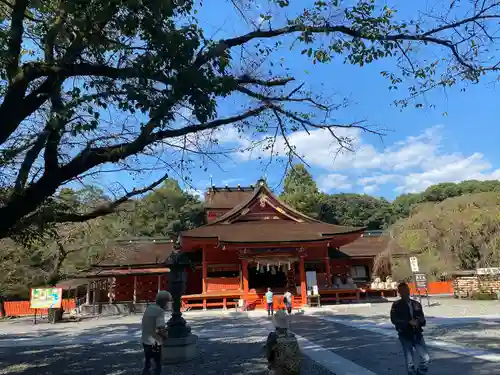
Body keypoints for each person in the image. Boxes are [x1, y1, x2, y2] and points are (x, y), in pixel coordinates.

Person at [390, 282, 430, 375]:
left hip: (417, 334)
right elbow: (394, 319)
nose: (405, 293)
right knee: (409, 361)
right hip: (405, 335)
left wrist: (418, 322)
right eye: (402, 291)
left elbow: (423, 319)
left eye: (406, 290)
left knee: (426, 357)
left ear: (409, 291)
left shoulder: (416, 304)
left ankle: (420, 372)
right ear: (399, 293)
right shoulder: (396, 305)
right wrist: (407, 322)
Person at [141, 290, 172, 375]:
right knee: (157, 366)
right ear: (164, 301)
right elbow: (159, 330)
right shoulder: (159, 311)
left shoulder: (150, 308)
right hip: (155, 343)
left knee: (148, 364)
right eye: (168, 301)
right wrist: (166, 336)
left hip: (145, 341)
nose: (168, 304)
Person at [265, 310, 301, 375]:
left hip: (280, 371)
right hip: (295, 369)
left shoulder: (273, 336)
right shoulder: (292, 336)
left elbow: (268, 356)